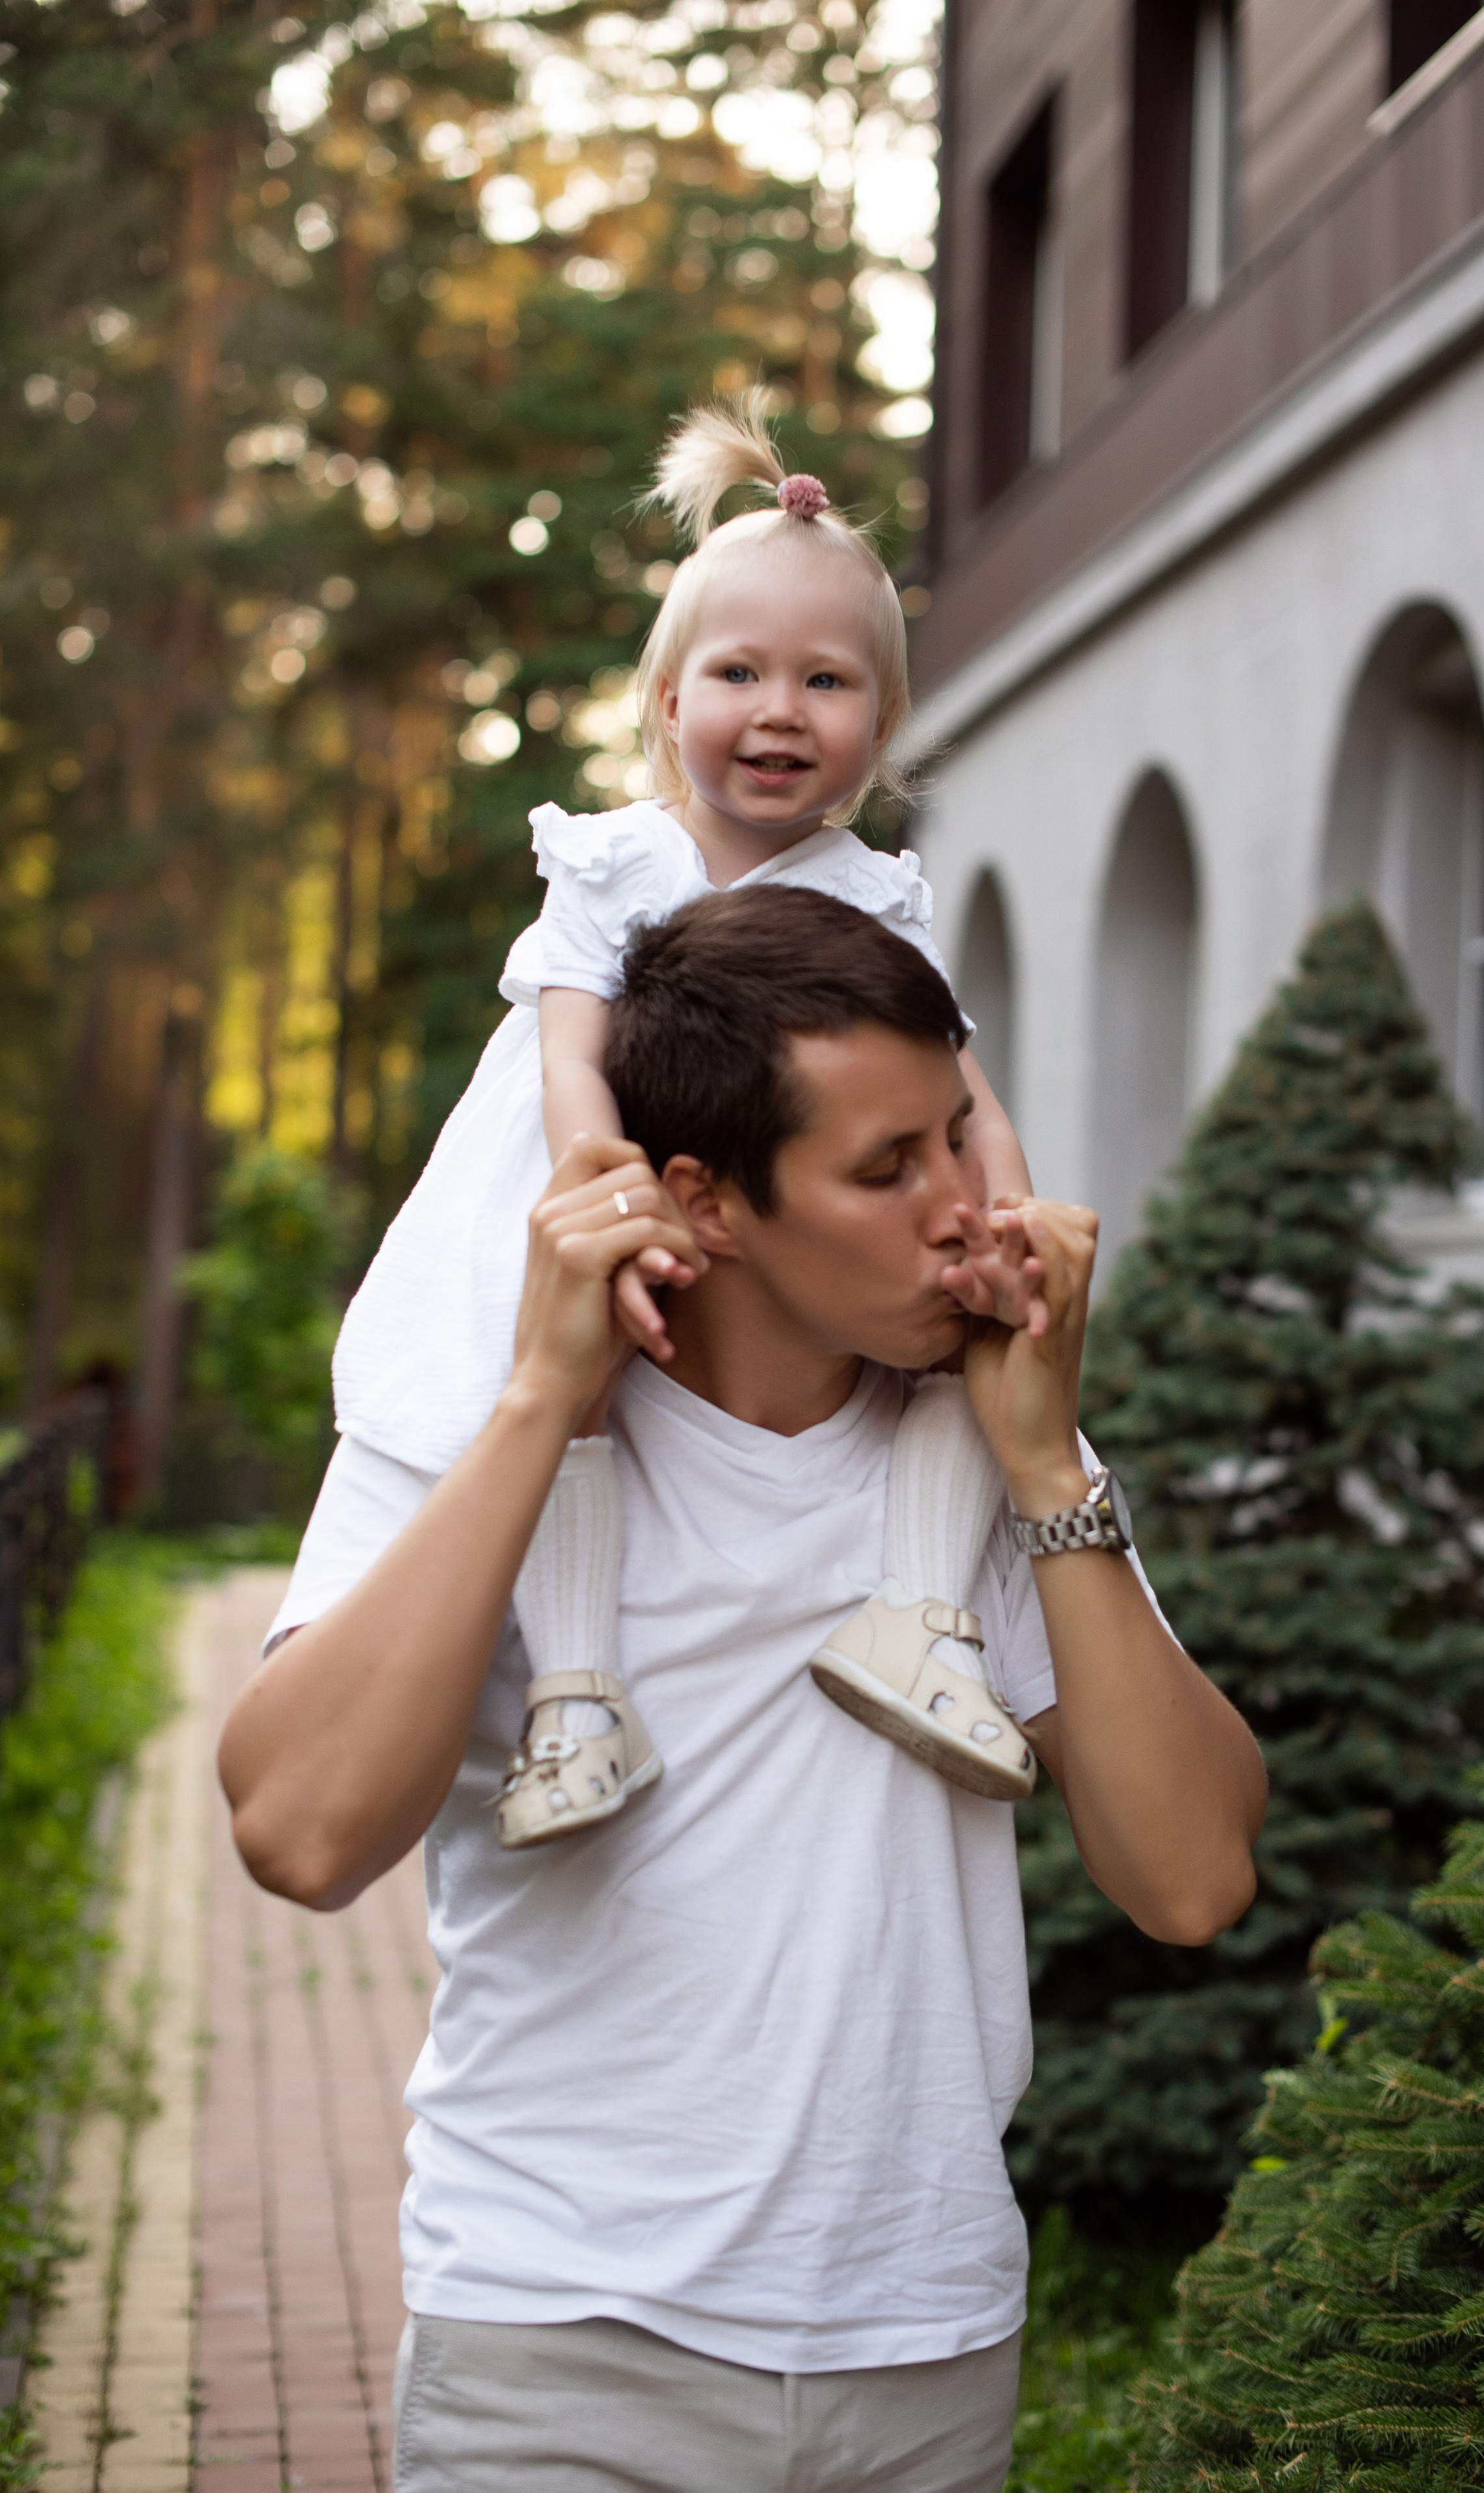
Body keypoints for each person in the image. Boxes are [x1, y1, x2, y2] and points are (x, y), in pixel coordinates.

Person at [221, 887, 1267, 2493]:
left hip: (922, 2355)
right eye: (884, 1168)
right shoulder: (471, 1429)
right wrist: (536, 1404)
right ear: (703, 1203)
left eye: (955, 1142)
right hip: (559, 2352)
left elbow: (1191, 1876)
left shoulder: (985, 1446)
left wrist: (1048, 1458)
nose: (965, 1212)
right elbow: (298, 1832)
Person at [332, 395, 1046, 1848]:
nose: (780, 709)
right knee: (576, 1394)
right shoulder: (618, 862)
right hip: (606, 1189)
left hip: (799, 1239)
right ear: (667, 704)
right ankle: (576, 1693)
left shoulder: (873, 896)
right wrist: (608, 1196)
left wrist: (1004, 1223)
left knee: (950, 1368)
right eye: (738, 671)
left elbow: (960, 1094)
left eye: (827, 681)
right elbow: (568, 1054)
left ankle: (917, 1619)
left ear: (881, 725)